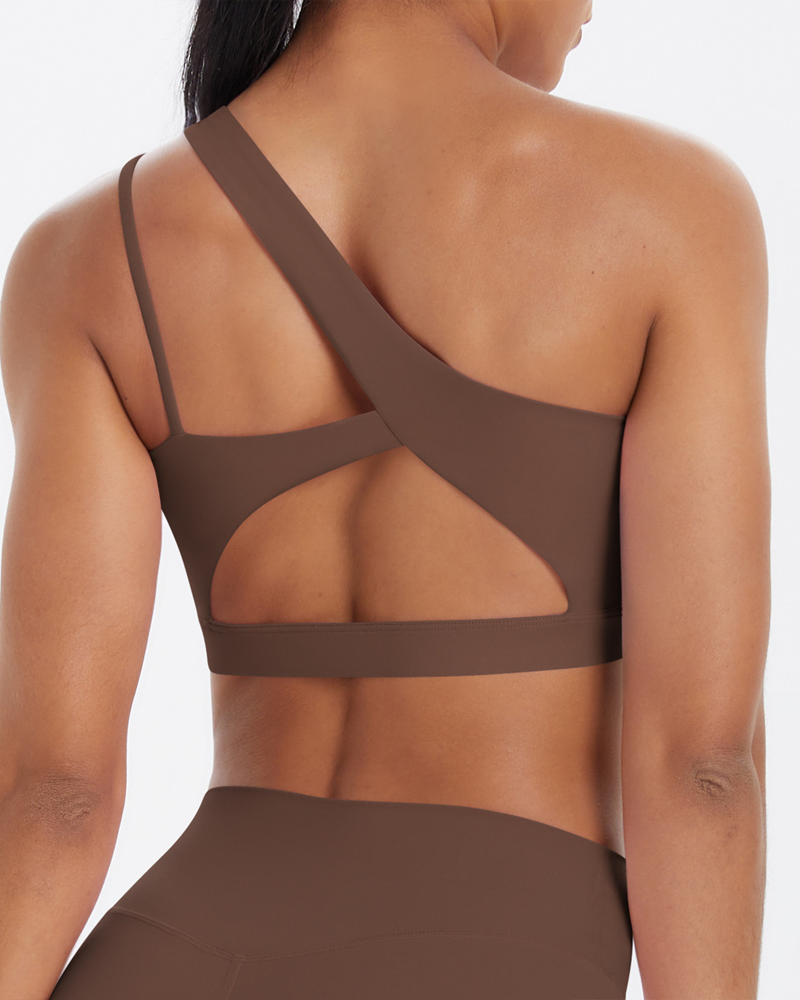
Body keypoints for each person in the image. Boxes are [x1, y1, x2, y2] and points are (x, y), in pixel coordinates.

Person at [0, 0, 769, 997]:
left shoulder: (86, 254)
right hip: (497, 957)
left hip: (166, 957)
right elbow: (702, 769)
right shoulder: (670, 209)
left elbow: (53, 795)